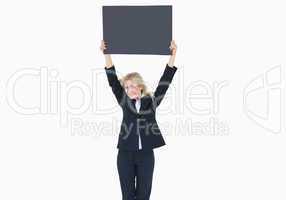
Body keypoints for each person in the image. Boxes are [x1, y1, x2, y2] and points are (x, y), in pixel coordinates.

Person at [100, 40, 178, 200]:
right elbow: (113, 81)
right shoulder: (124, 101)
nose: (130, 89)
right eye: (127, 87)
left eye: (133, 85)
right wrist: (106, 53)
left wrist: (173, 56)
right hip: (125, 154)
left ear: (140, 87)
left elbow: (165, 82)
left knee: (143, 195)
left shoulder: (152, 102)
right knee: (127, 196)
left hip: (146, 156)